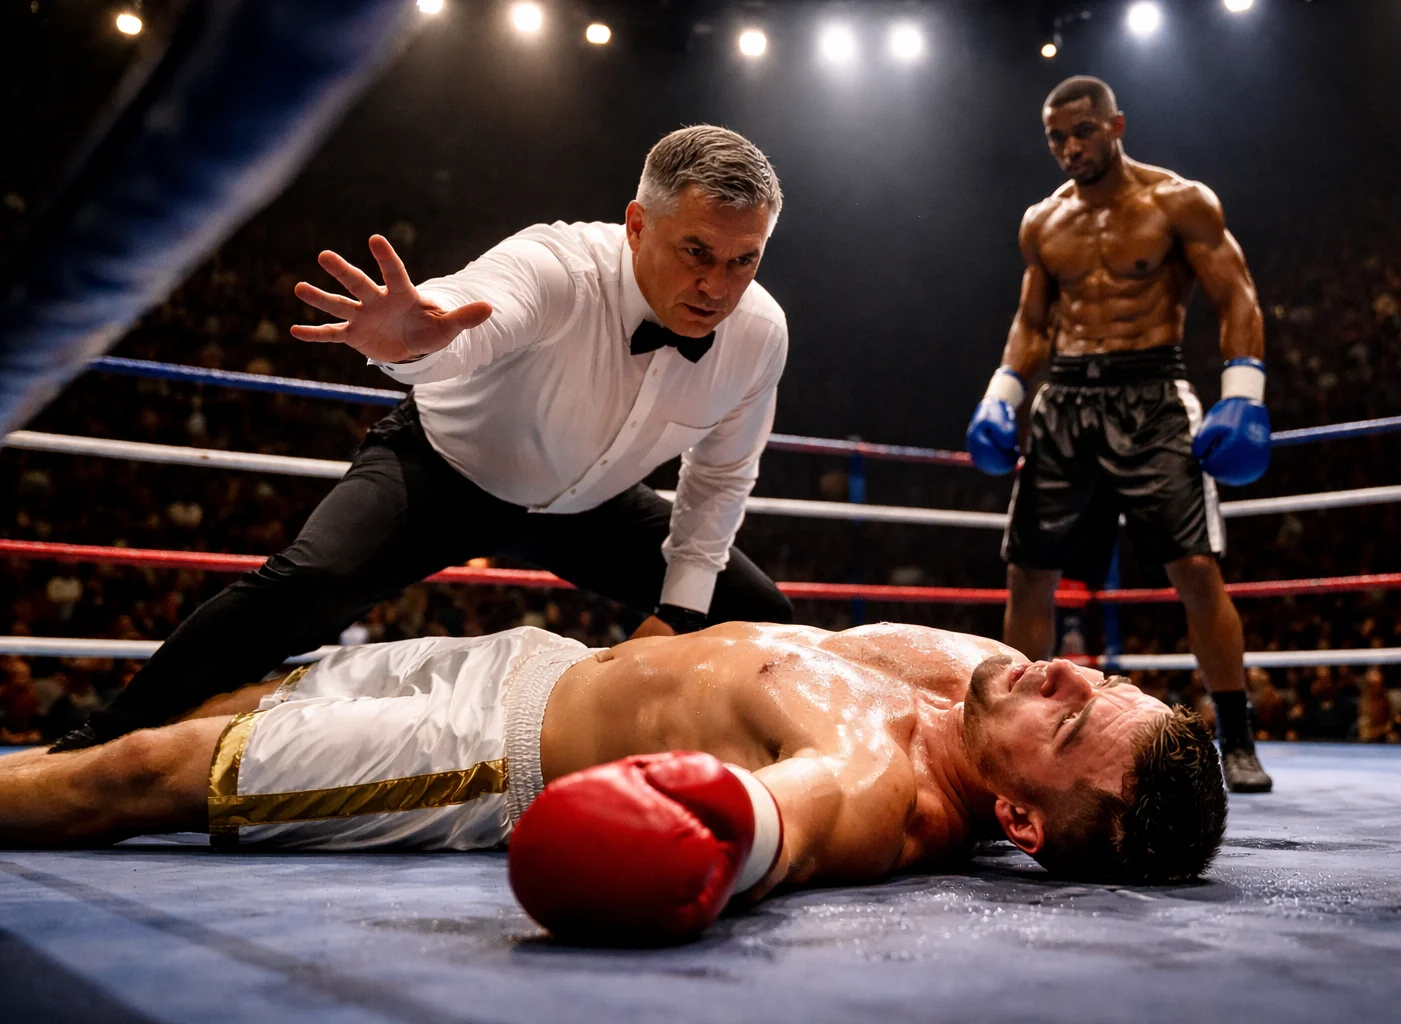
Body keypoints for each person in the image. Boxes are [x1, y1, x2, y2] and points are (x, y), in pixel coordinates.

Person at [51, 125, 794, 753]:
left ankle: (754, 773)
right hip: (443, 468)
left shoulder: (758, 333)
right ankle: (98, 742)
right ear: (637, 225)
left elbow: (721, 475)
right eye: (696, 252)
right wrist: (417, 340)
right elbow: (480, 309)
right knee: (308, 582)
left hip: (593, 503)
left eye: (744, 259)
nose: (719, 287)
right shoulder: (560, 266)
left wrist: (680, 613)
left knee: (761, 615)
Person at [1, 621, 1228, 944]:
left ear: (1017, 815)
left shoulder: (881, 786)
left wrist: (721, 831)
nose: (1065, 671)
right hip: (543, 661)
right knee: (238, 703)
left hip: (488, 756)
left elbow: (790, 822)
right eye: (1101, 678)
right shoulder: (990, 676)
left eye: (1073, 721)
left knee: (140, 774)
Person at [963, 76, 1273, 792]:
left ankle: (1239, 735)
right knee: (1029, 572)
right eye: (1057, 138)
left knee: (1194, 568)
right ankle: (1010, 740)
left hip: (1153, 392)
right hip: (1065, 397)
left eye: (1083, 132)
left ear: (1116, 125)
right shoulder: (1043, 221)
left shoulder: (1178, 201)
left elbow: (1237, 295)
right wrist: (1000, 394)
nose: (1070, 148)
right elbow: (1033, 323)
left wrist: (1245, 393)